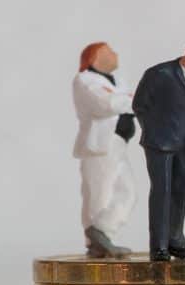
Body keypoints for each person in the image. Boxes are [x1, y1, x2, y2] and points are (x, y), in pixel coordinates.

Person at [133, 33, 185, 261]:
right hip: (160, 143)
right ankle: (159, 246)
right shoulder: (160, 73)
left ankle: (176, 241)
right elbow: (140, 105)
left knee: (182, 191)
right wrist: (154, 131)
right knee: (162, 192)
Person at [72, 42, 136, 258]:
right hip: (99, 145)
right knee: (100, 192)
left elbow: (127, 100)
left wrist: (127, 99)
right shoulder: (84, 80)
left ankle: (102, 231)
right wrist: (130, 99)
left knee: (128, 191)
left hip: (118, 142)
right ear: (96, 57)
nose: (116, 54)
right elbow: (107, 104)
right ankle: (95, 242)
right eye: (110, 51)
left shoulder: (117, 80)